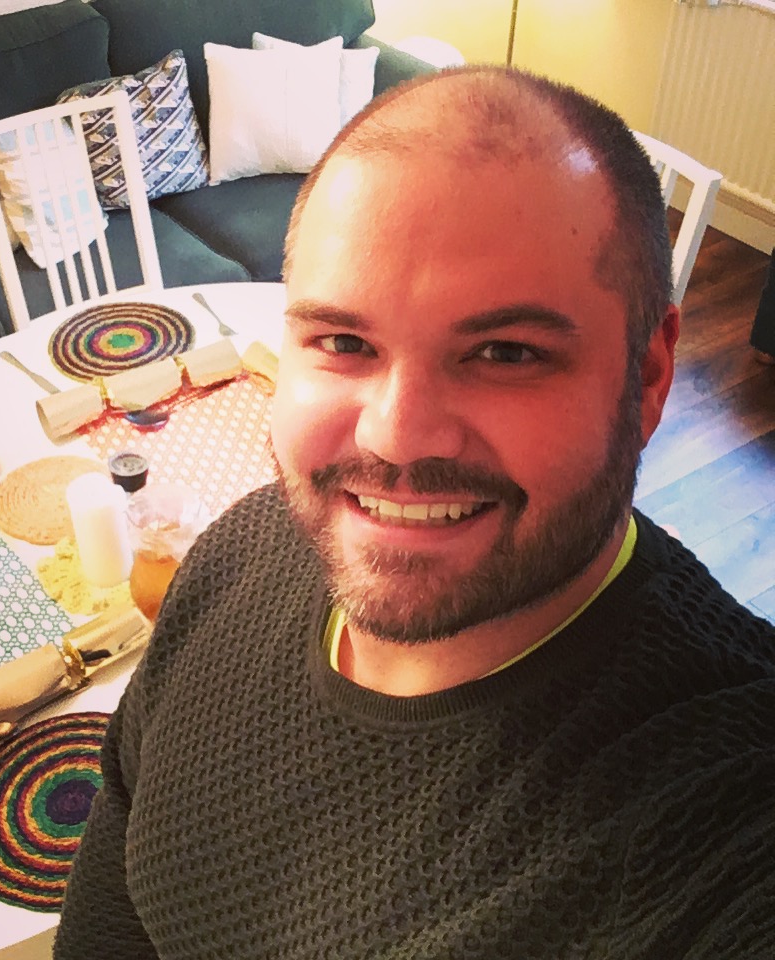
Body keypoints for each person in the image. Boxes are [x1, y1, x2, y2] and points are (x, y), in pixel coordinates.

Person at [54, 66, 775, 959]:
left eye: (505, 352)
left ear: (650, 376)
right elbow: (116, 899)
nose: (396, 437)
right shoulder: (237, 552)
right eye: (343, 341)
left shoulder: (726, 809)